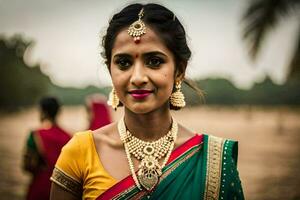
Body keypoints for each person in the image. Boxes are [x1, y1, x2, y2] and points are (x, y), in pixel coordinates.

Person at [50, 3, 244, 200]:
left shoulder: (213, 158)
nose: (137, 77)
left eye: (154, 61)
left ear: (179, 70)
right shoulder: (81, 151)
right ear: (110, 70)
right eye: (124, 63)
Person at [23, 96, 71, 200]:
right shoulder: (69, 137)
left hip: (40, 187)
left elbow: (28, 166)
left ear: (43, 112)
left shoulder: (35, 135)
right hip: (62, 191)